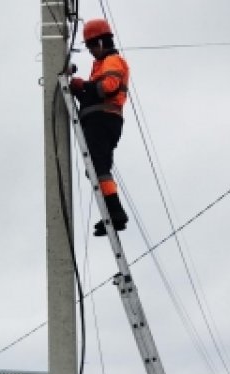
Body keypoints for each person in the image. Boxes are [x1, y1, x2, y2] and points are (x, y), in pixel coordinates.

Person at [69, 18, 130, 236]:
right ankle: (114, 214)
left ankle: (115, 213)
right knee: (98, 169)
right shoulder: (101, 65)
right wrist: (77, 88)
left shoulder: (112, 60)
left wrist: (83, 85)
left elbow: (108, 87)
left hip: (103, 121)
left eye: (92, 46)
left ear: (102, 42)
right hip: (103, 121)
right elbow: (93, 94)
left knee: (98, 167)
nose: (91, 51)